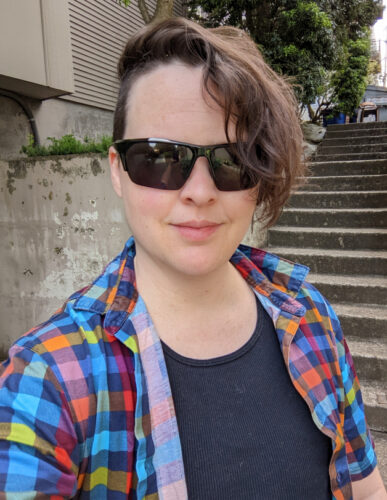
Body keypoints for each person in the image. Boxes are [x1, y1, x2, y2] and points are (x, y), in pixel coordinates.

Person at [0, 17, 386, 500]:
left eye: (232, 161)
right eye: (160, 157)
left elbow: (366, 489)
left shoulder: (308, 316)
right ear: (118, 171)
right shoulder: (49, 380)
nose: (199, 192)